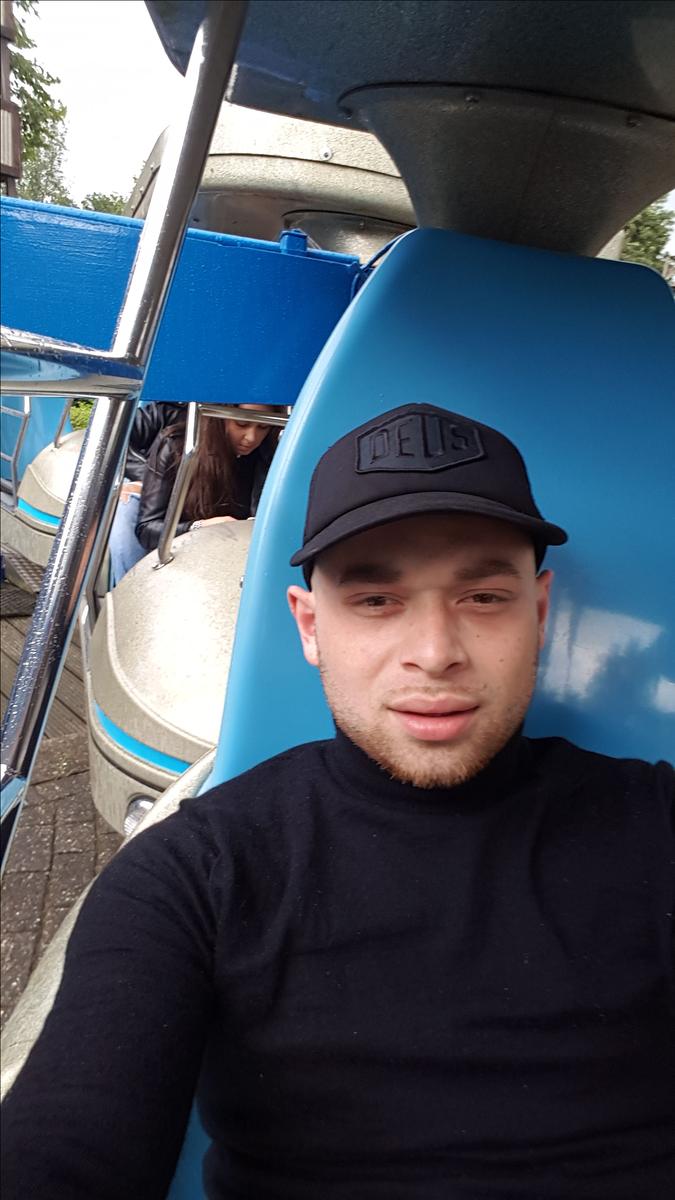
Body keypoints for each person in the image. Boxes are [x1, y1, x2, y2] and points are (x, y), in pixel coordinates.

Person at [2, 403, 673, 1200]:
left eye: (483, 597)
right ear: (309, 626)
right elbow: (69, 1138)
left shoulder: (656, 822)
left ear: (537, 612)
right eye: (376, 600)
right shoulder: (192, 876)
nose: (434, 654)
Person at [133, 403, 283, 554]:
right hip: (183, 553)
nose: (251, 437)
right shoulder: (177, 446)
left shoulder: (270, 455)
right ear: (218, 417)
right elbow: (147, 530)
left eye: (263, 427)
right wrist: (199, 527)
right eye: (242, 424)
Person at [107, 402, 186, 587]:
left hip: (187, 496)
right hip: (147, 486)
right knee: (126, 507)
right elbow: (115, 440)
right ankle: (129, 589)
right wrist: (149, 480)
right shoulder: (165, 413)